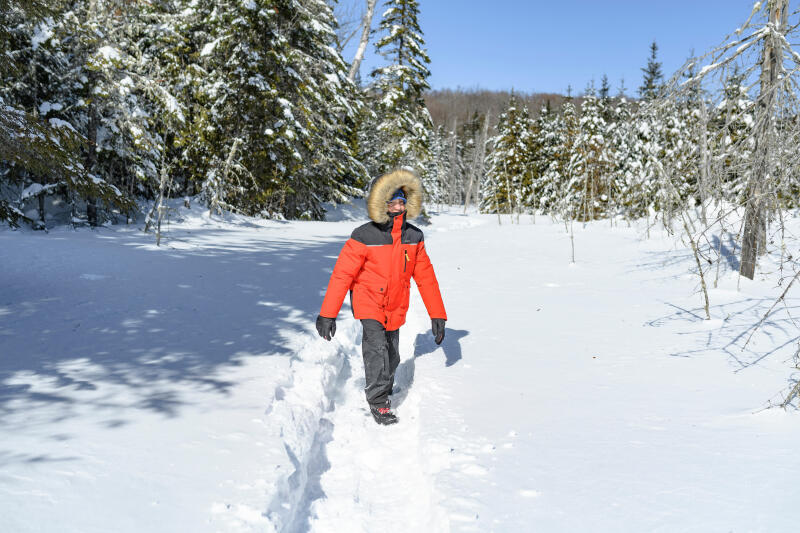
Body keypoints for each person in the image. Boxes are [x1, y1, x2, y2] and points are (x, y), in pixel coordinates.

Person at [316, 169, 447, 425]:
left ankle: (384, 388)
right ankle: (378, 401)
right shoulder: (363, 236)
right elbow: (341, 276)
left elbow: (426, 278)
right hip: (369, 302)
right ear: (382, 205)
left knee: (392, 354)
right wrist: (327, 314)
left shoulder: (414, 237)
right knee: (376, 350)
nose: (398, 207)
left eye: (401, 202)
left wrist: (437, 314)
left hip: (396, 304)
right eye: (392, 202)